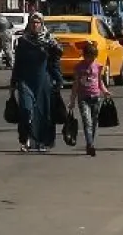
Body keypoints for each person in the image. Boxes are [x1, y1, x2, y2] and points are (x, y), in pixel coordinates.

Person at [10, 13, 63, 152]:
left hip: (43, 81)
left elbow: (55, 62)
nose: (35, 25)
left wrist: (58, 79)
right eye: (33, 22)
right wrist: (13, 82)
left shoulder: (49, 41)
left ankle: (42, 142)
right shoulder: (23, 41)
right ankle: (25, 140)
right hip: (25, 81)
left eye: (38, 22)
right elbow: (18, 63)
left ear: (42, 24)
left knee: (43, 113)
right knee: (26, 110)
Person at [70, 41, 111, 157]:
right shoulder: (79, 67)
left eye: (93, 58)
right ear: (84, 56)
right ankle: (90, 144)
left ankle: (91, 141)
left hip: (96, 97)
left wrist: (105, 91)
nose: (91, 60)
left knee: (94, 122)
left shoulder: (98, 66)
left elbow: (99, 81)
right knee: (87, 121)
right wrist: (72, 100)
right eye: (89, 57)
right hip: (83, 97)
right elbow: (75, 84)